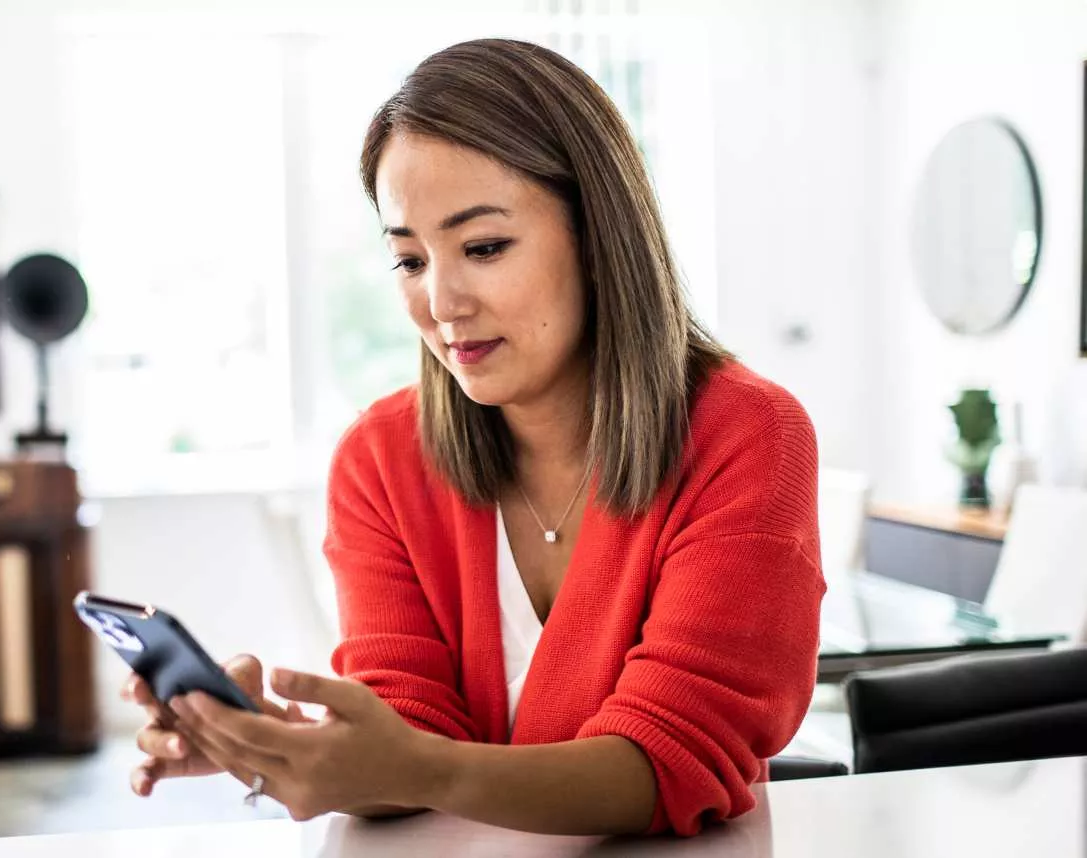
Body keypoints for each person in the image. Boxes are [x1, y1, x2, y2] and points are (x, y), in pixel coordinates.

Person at [121, 37, 824, 837]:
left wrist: (411, 764)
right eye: (409, 260)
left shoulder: (746, 435)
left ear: (598, 239)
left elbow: (671, 760)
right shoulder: (380, 460)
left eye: (483, 248)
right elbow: (407, 731)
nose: (441, 302)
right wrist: (275, 743)